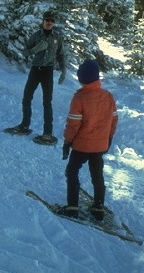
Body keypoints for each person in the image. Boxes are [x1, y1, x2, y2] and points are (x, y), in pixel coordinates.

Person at [58, 59, 118, 220]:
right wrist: (109, 138)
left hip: (81, 145)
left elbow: (73, 125)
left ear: (81, 78)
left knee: (71, 172)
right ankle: (98, 207)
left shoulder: (79, 98)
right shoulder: (108, 96)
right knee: (97, 174)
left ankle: (72, 207)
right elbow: (113, 121)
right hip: (100, 145)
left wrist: (67, 142)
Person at [8, 10, 66, 143]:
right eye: (47, 20)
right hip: (35, 70)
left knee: (47, 102)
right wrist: (36, 49)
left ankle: (47, 133)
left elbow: (61, 55)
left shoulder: (57, 38)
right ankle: (24, 125)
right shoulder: (35, 36)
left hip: (48, 72)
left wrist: (64, 71)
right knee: (27, 97)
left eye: (52, 21)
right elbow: (25, 52)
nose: (49, 22)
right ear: (43, 21)